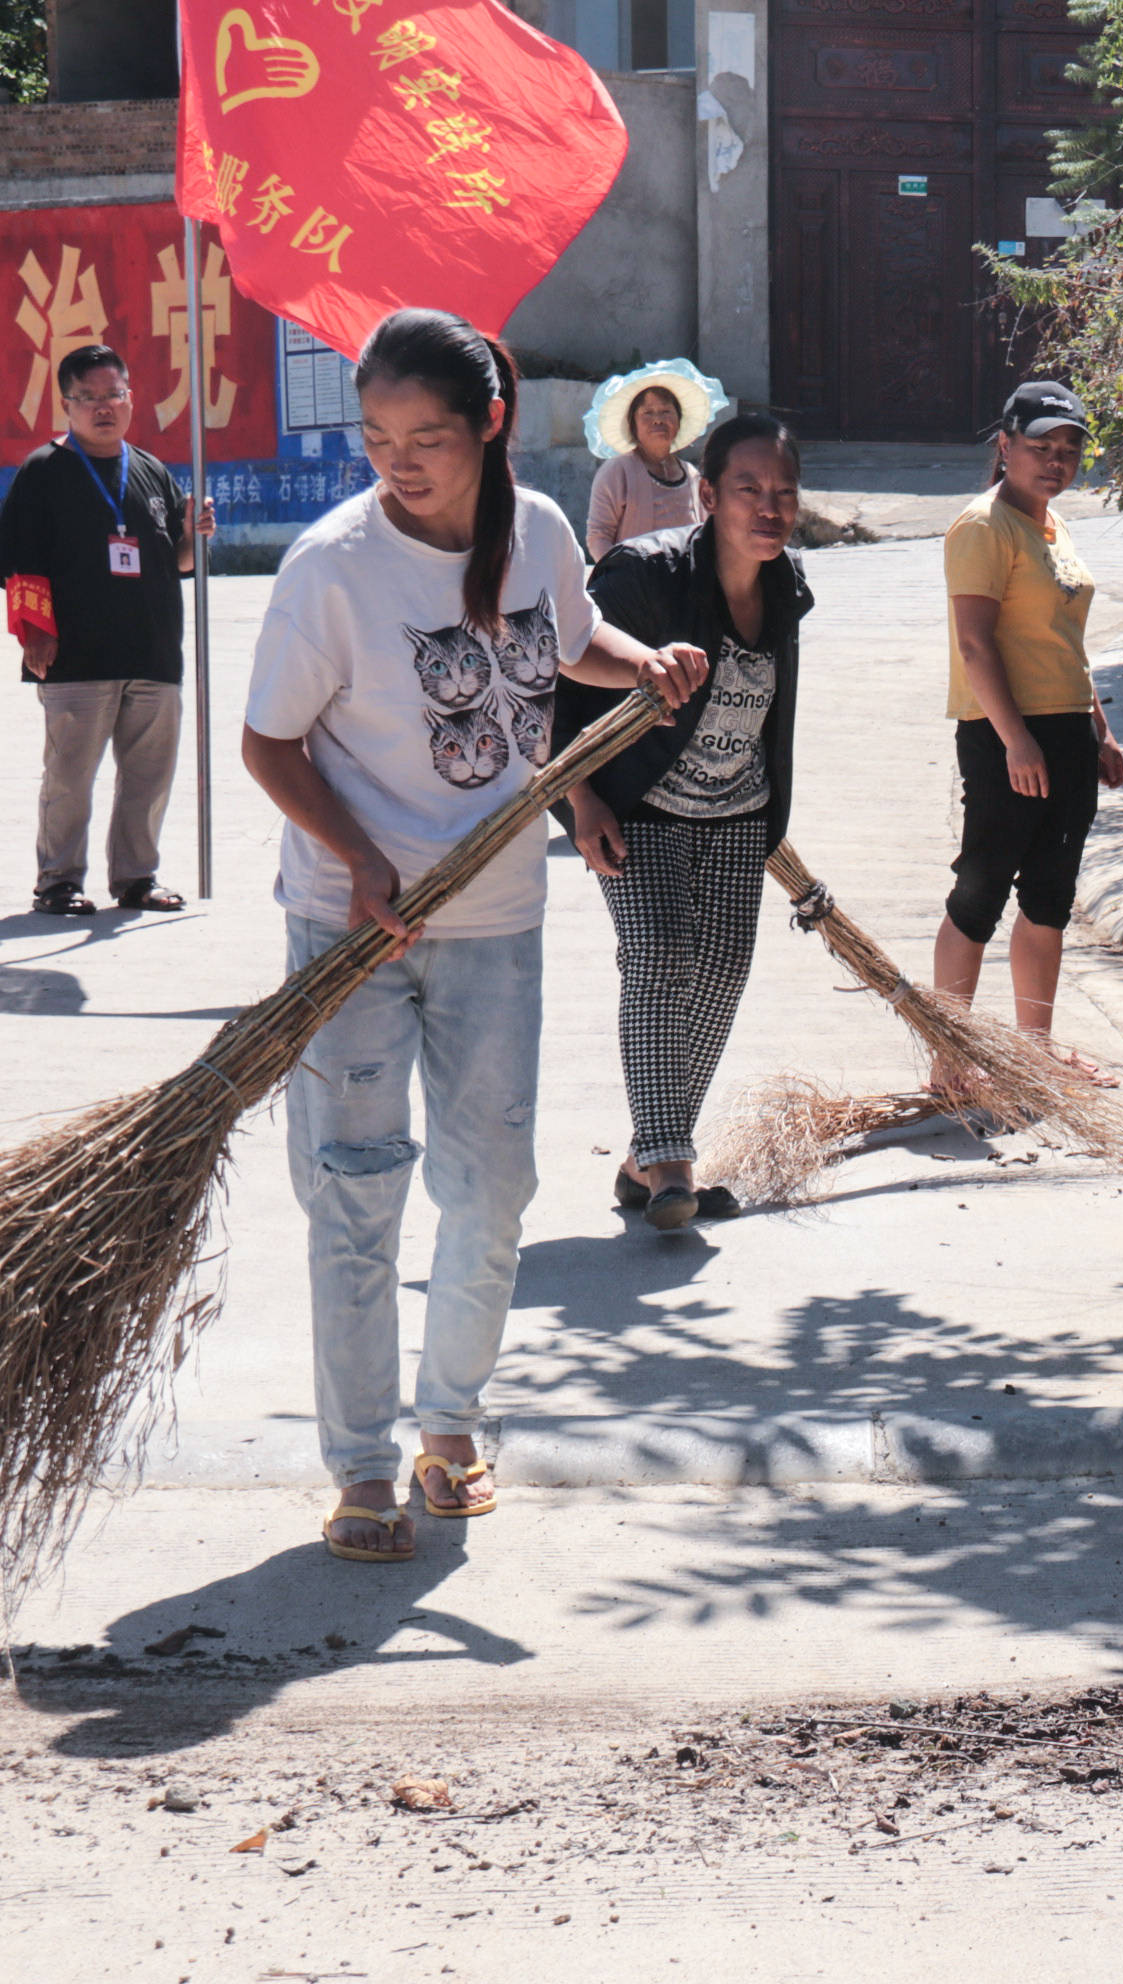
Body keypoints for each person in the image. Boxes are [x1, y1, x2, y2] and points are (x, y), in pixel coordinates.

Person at [239, 308, 704, 1566]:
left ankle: (452, 1427)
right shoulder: (329, 570)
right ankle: (361, 1466)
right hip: (354, 929)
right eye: (379, 436)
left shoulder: (541, 532)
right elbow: (268, 744)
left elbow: (562, 647)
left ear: (490, 427)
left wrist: (641, 659)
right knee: (355, 1192)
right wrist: (359, 858)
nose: (399, 461)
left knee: (491, 1187)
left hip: (497, 915)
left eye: (427, 437)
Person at [557, 412, 812, 1229]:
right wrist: (581, 798)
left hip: (739, 816)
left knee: (720, 977)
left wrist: (772, 810)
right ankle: (674, 1162)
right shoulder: (643, 575)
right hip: (640, 808)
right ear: (708, 495)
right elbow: (555, 692)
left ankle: (643, 1161)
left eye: (783, 492)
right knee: (660, 954)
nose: (768, 508)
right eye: (748, 490)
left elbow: (776, 714)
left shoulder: (787, 588)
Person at [931, 379, 1123, 1080]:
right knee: (979, 894)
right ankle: (949, 1064)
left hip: (1067, 734)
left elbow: (1066, 642)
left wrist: (1098, 728)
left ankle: (1032, 1058)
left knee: (1050, 897)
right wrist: (1016, 739)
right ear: (1005, 446)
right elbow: (976, 645)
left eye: (1069, 449)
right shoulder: (984, 526)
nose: (1055, 460)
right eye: (1040, 447)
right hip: (1003, 737)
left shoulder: (1052, 524)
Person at [0, 342, 214, 916]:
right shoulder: (45, 470)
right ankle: (58, 881)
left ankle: (136, 878)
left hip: (154, 655)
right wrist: (35, 633)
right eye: (89, 398)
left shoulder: (151, 470)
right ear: (67, 404)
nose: (104, 407)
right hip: (78, 658)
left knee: (147, 779)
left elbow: (178, 563)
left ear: (131, 398)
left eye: (114, 394)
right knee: (70, 779)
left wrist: (193, 533)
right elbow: (19, 559)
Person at [584, 365, 711, 560]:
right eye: (648, 413)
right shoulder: (617, 472)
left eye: (666, 411)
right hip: (634, 585)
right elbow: (598, 536)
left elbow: (706, 535)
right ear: (632, 424)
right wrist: (621, 577)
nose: (658, 420)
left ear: (679, 420)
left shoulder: (693, 477)